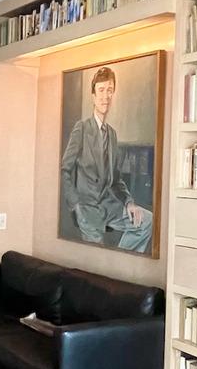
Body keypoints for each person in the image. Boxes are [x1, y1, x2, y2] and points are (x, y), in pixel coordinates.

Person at [60, 65, 153, 252]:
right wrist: (75, 204)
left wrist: (129, 202)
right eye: (101, 90)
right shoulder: (82, 128)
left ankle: (120, 259)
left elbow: (116, 179)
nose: (106, 96)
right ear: (93, 96)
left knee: (147, 220)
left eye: (109, 90)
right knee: (96, 255)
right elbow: (65, 170)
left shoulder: (112, 134)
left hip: (109, 206)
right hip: (86, 208)